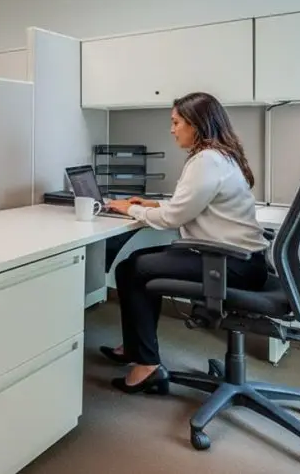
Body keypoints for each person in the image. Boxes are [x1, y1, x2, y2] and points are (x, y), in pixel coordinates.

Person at [101, 92, 270, 395]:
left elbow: (174, 218)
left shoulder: (206, 160)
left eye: (176, 122)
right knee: (136, 265)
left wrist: (132, 208)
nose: (172, 129)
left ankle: (146, 364)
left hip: (228, 262)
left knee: (131, 270)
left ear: (195, 124)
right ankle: (137, 348)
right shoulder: (222, 155)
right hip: (242, 259)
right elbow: (195, 206)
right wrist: (152, 205)